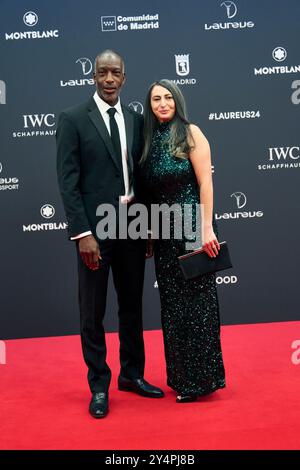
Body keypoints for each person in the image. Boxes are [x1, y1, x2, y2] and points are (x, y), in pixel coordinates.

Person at [56, 50, 164, 419]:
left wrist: (148, 228)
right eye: (102, 72)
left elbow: (142, 178)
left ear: (124, 77)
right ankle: (99, 384)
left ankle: (132, 374)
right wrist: (83, 233)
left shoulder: (135, 119)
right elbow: (68, 182)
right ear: (93, 76)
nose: (108, 78)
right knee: (93, 310)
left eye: (114, 72)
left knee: (132, 305)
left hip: (132, 227)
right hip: (95, 229)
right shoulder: (72, 120)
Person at [140, 79, 226, 403]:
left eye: (167, 98)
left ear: (177, 100)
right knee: (173, 308)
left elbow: (206, 183)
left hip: (192, 227)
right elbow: (148, 194)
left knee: (200, 306)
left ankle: (204, 380)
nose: (162, 104)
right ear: (150, 106)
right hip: (164, 232)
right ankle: (180, 378)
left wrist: (206, 229)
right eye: (156, 99)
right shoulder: (148, 141)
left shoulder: (191, 133)